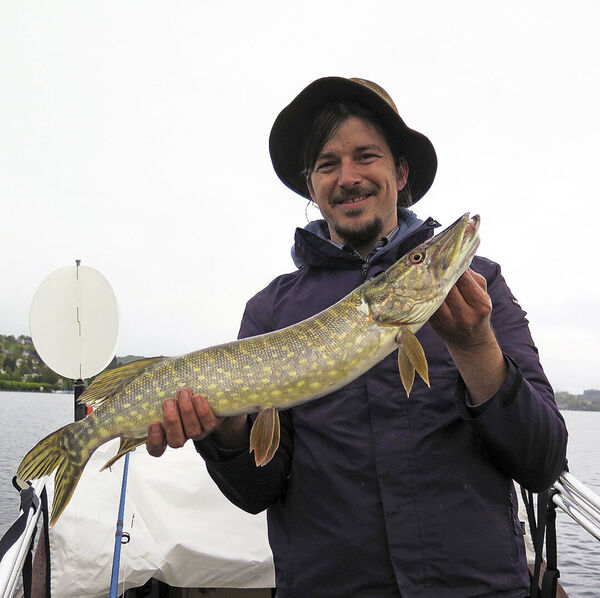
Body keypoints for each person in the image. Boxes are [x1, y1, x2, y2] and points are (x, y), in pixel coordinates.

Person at [146, 77, 568, 597]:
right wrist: (227, 434)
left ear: (400, 172)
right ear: (312, 185)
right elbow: (257, 491)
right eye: (328, 164)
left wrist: (476, 348)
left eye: (366, 156)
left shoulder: (482, 286)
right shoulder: (269, 311)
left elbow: (542, 460)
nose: (348, 177)